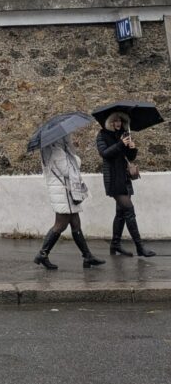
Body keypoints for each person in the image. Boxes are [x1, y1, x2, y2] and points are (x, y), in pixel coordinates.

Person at [34, 135, 105, 270]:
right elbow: (69, 170)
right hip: (63, 193)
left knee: (75, 224)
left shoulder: (53, 150)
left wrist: (70, 154)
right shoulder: (57, 151)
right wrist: (74, 157)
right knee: (60, 225)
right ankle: (42, 254)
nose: (68, 139)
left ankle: (87, 256)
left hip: (66, 192)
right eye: (65, 137)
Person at [96, 112, 156, 257]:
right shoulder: (102, 135)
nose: (118, 123)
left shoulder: (123, 134)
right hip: (113, 179)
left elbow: (130, 157)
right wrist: (120, 144)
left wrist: (132, 147)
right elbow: (105, 153)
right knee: (129, 210)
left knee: (121, 213)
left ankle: (115, 244)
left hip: (124, 178)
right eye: (115, 121)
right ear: (109, 122)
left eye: (121, 121)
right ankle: (140, 247)